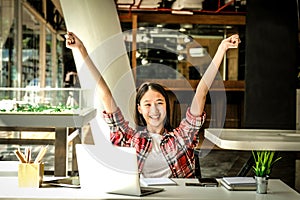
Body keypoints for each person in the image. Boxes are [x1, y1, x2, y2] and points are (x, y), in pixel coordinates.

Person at [65, 31, 240, 178]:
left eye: (159, 102)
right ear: (139, 109)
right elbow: (105, 94)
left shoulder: (182, 138)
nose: (154, 109)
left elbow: (201, 92)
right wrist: (82, 50)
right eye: (147, 104)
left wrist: (222, 49)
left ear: (167, 106)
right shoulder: (130, 139)